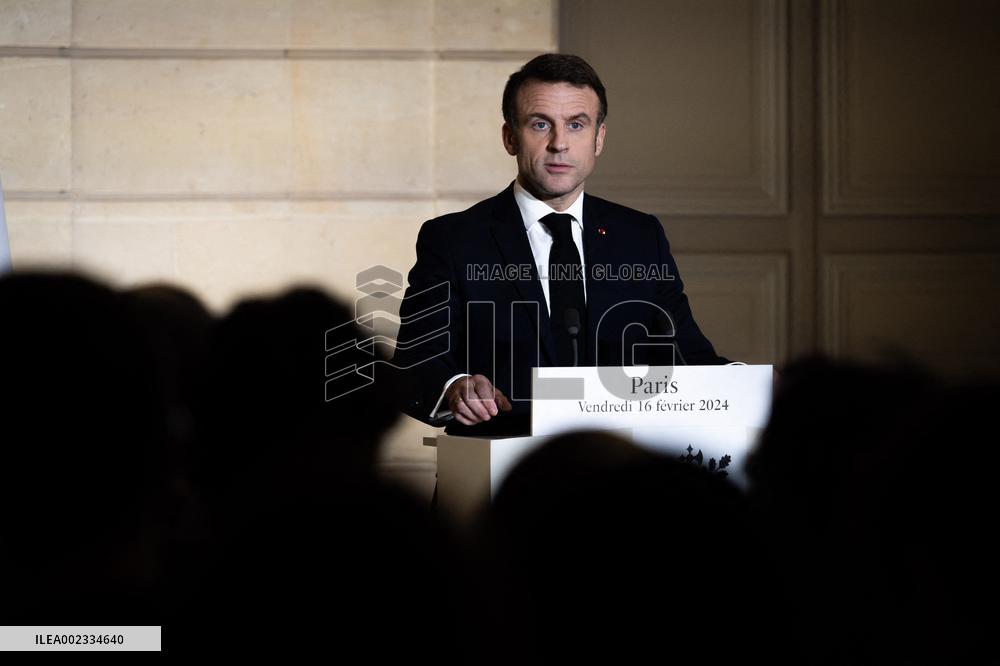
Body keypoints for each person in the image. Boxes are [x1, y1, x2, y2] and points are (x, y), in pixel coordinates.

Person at [393, 54, 727, 436]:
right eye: (540, 124)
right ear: (510, 137)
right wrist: (454, 387)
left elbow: (686, 355)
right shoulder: (453, 239)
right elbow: (415, 363)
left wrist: (750, 385)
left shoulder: (640, 235)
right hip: (496, 476)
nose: (559, 144)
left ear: (598, 138)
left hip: (619, 472)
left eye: (576, 125)